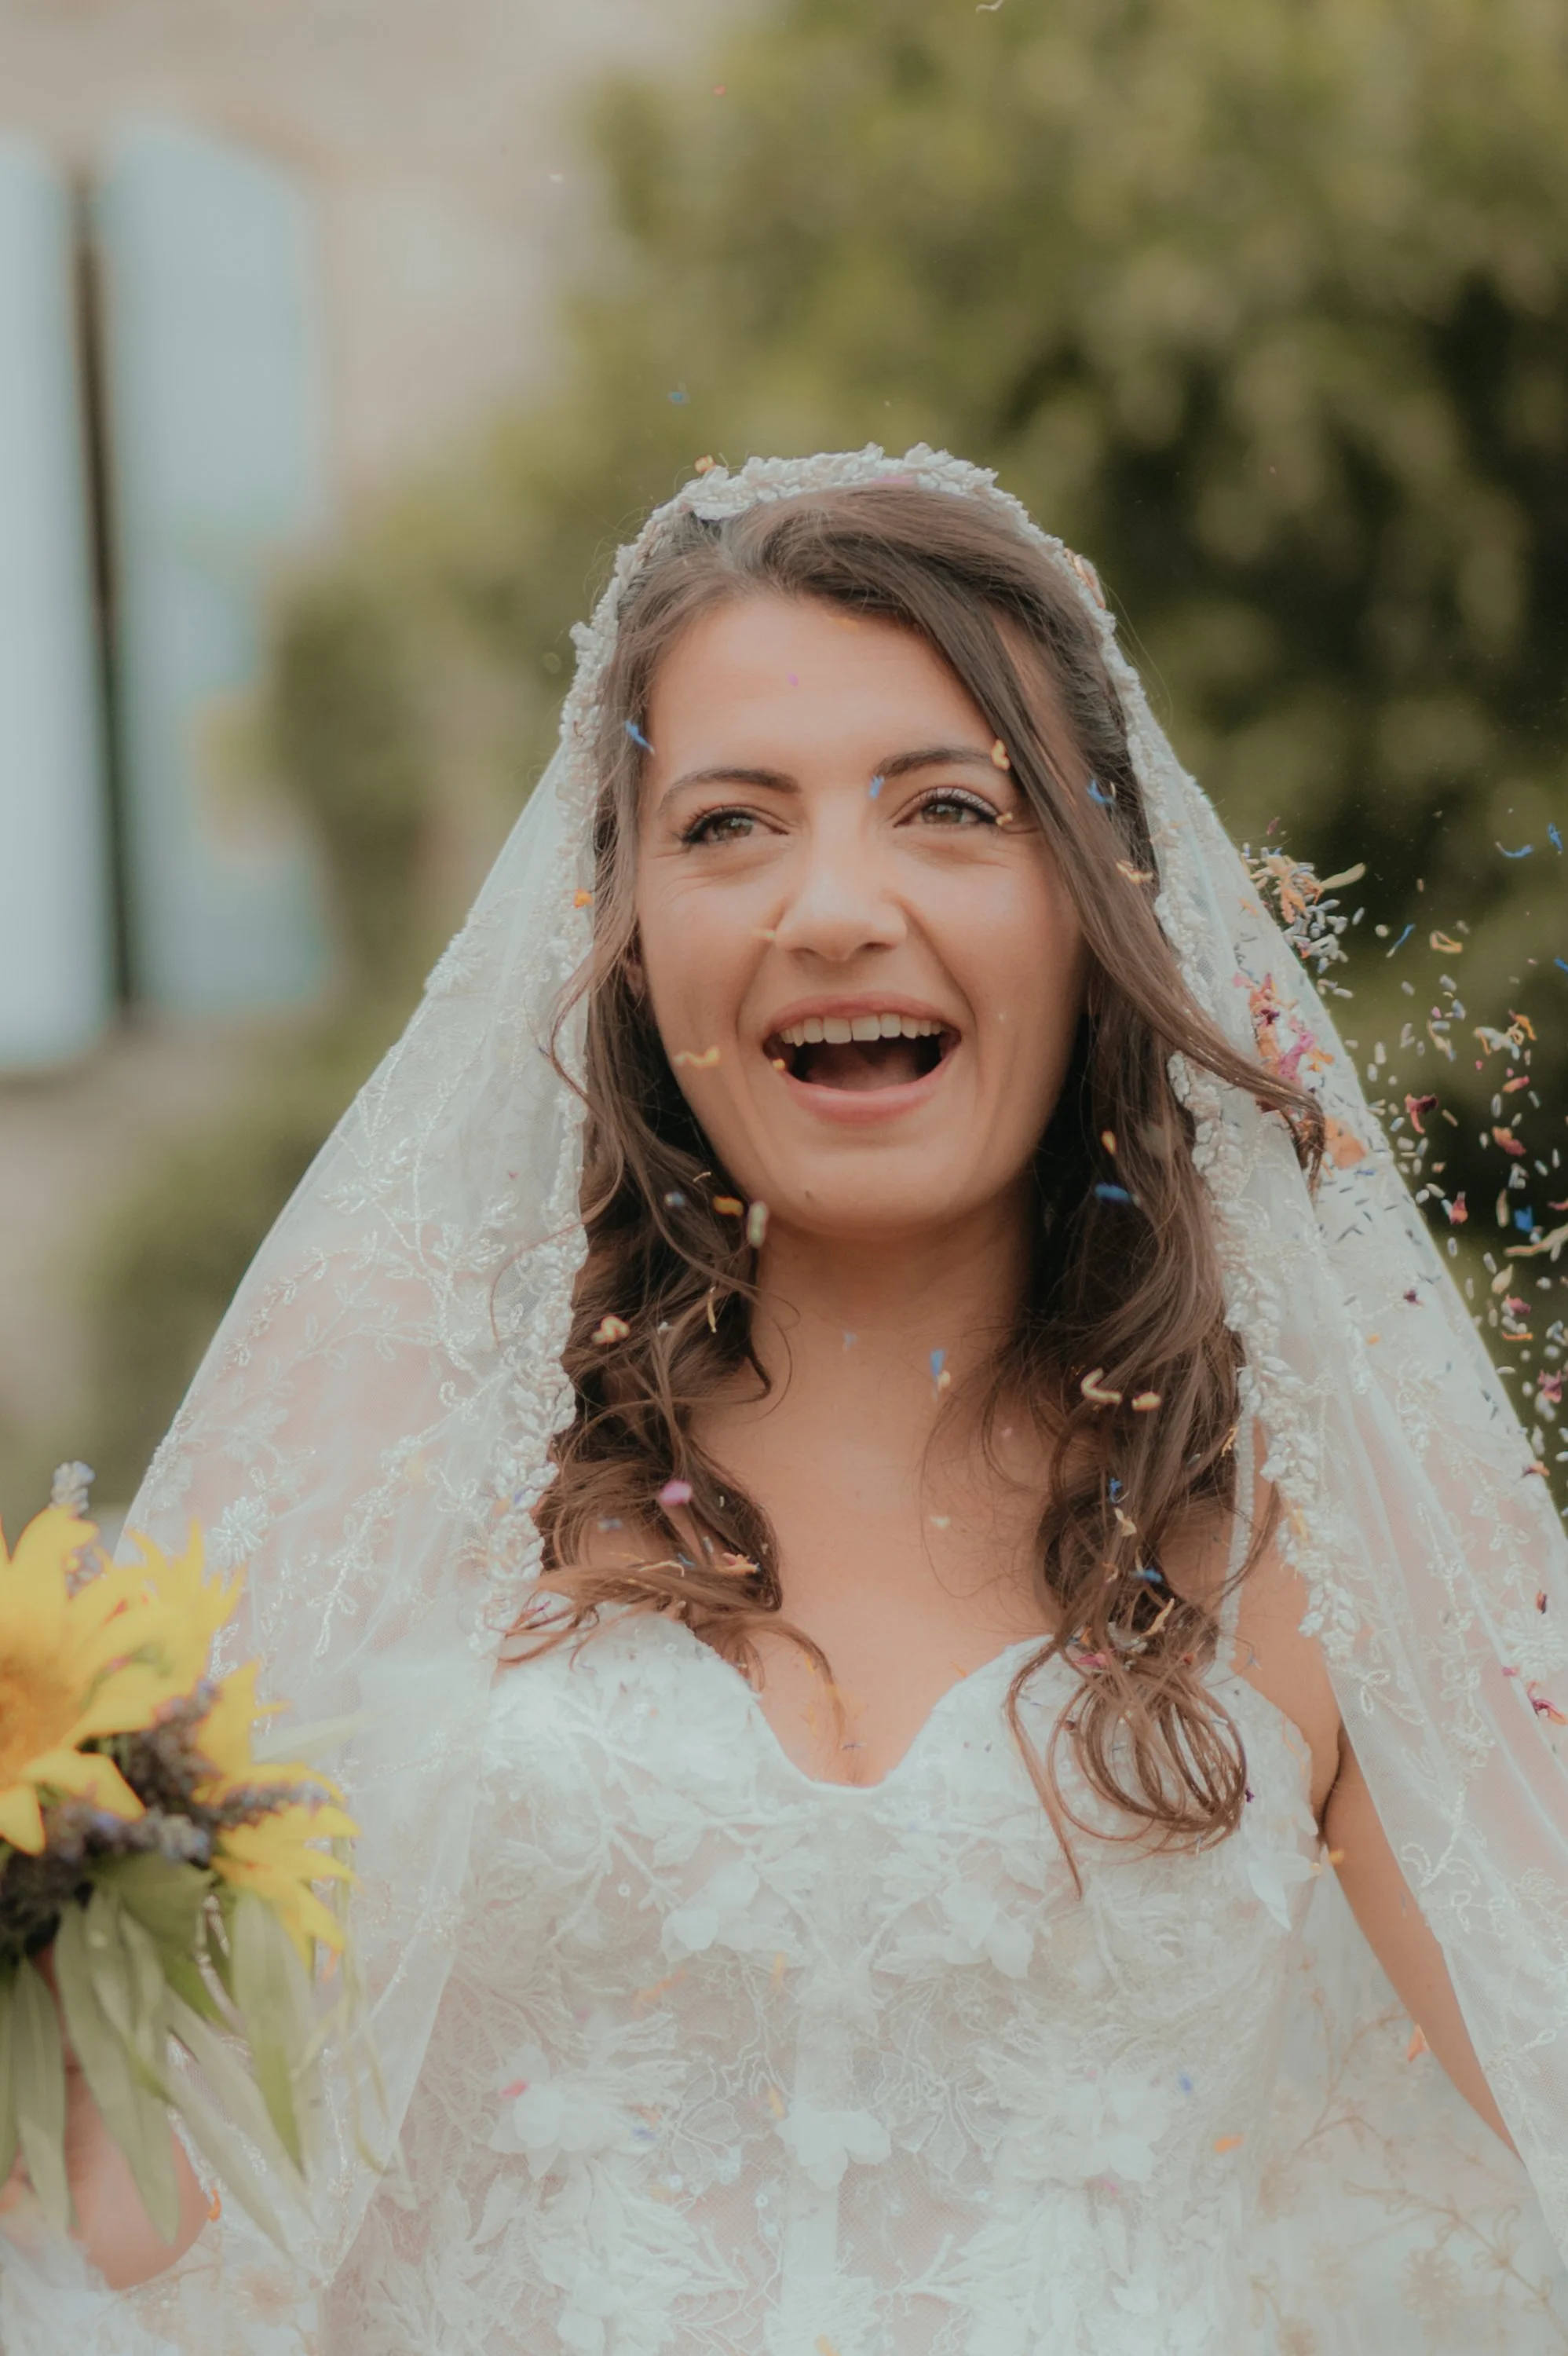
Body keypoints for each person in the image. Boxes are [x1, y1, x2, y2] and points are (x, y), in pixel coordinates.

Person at [6, 447, 1568, 2353]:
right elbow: (119, 2213)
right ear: (623, 922)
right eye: (731, 826)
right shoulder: (408, 1452)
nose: (832, 905)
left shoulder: (1301, 1522)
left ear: (1096, 898)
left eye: (947, 810)